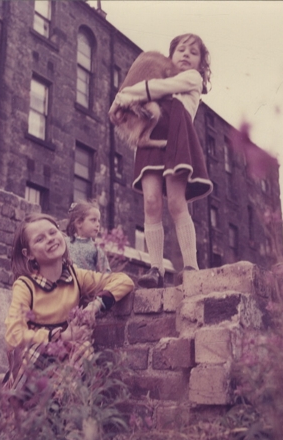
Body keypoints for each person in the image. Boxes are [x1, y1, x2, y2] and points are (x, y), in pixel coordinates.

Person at [109, 33, 213, 288]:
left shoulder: (191, 79)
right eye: (180, 50)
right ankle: (155, 269)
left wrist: (120, 98)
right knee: (151, 202)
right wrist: (123, 100)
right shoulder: (160, 75)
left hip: (176, 137)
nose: (186, 54)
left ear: (201, 64)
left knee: (177, 203)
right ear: (170, 56)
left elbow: (157, 89)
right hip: (152, 138)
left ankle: (191, 267)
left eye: (193, 52)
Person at [4, 213, 134, 390]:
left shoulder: (74, 275)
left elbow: (124, 281)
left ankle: (67, 409)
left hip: (67, 360)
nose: (50, 239)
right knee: (73, 350)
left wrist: (94, 307)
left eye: (52, 232)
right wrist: (59, 336)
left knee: (83, 350)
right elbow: (14, 336)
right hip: (34, 365)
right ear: (29, 254)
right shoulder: (25, 285)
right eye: (40, 239)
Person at [65, 201, 111, 273]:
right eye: (93, 220)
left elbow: (106, 273)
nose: (98, 224)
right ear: (79, 223)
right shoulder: (65, 242)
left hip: (87, 283)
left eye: (98, 221)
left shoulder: (96, 248)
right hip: (66, 281)